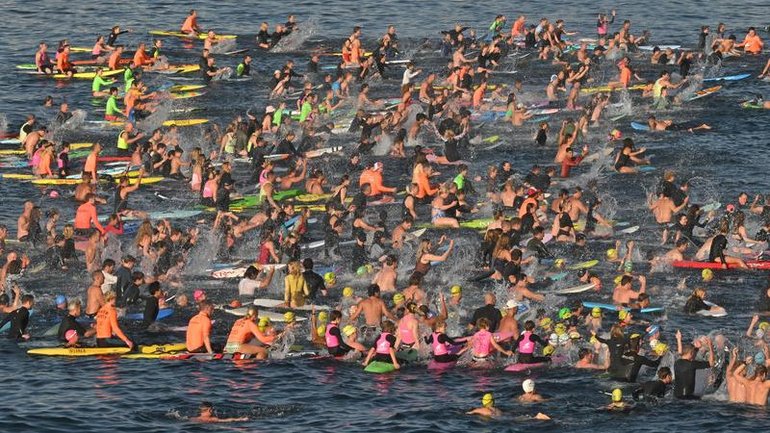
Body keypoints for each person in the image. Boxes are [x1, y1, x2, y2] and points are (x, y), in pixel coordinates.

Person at [673, 334, 715, 399]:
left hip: (676, 396)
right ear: (691, 353)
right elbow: (711, 363)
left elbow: (681, 353)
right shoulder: (692, 364)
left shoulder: (677, 362)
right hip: (688, 398)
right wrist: (710, 347)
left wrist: (679, 339)